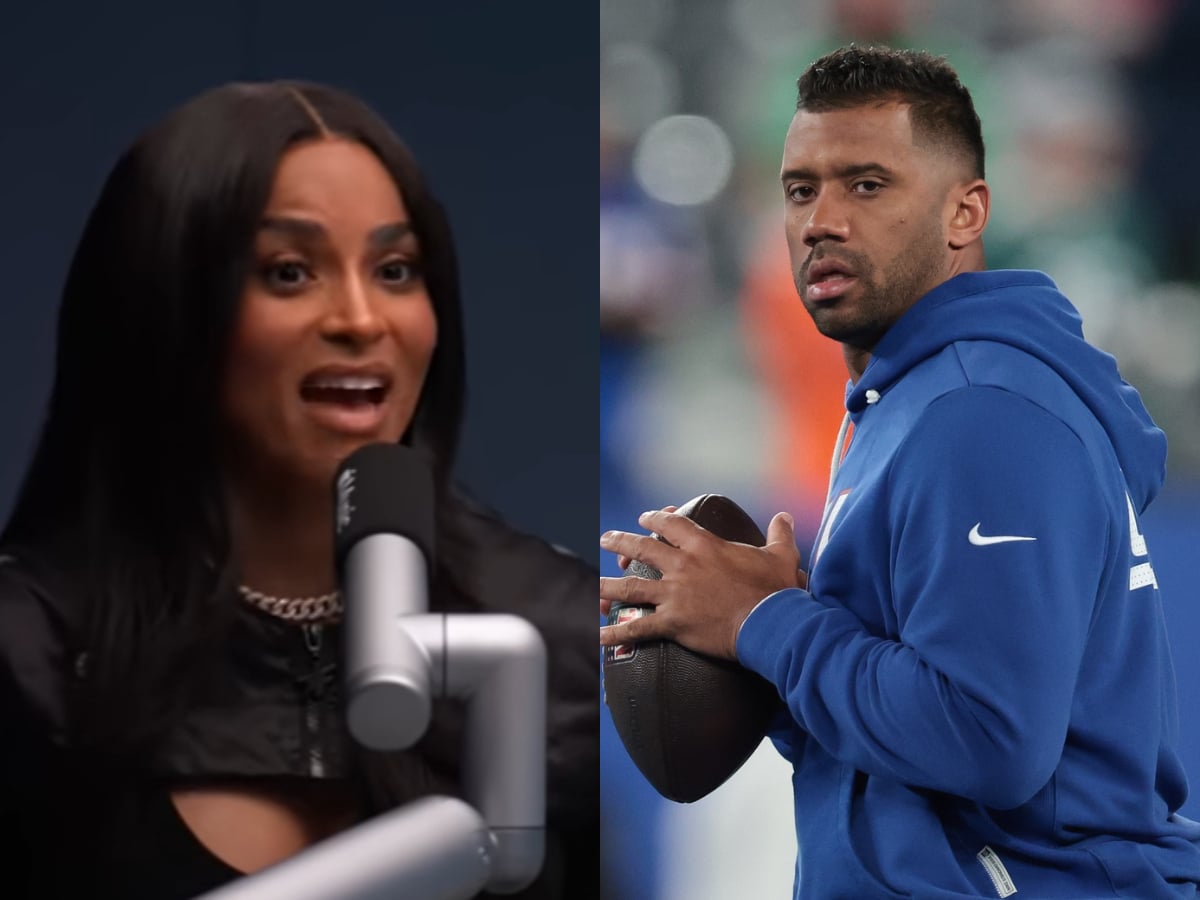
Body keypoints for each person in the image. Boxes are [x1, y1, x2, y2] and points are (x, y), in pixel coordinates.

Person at [600, 45, 1200, 898]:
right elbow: (910, 746)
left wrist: (769, 622)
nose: (822, 220)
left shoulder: (982, 410)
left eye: (867, 185)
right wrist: (765, 649)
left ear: (965, 212)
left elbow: (990, 739)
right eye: (800, 190)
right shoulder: (908, 399)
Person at [0, 80, 598, 899]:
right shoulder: (31, 660)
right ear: (166, 307)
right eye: (289, 273)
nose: (361, 319)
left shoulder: (564, 642)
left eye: (395, 270)